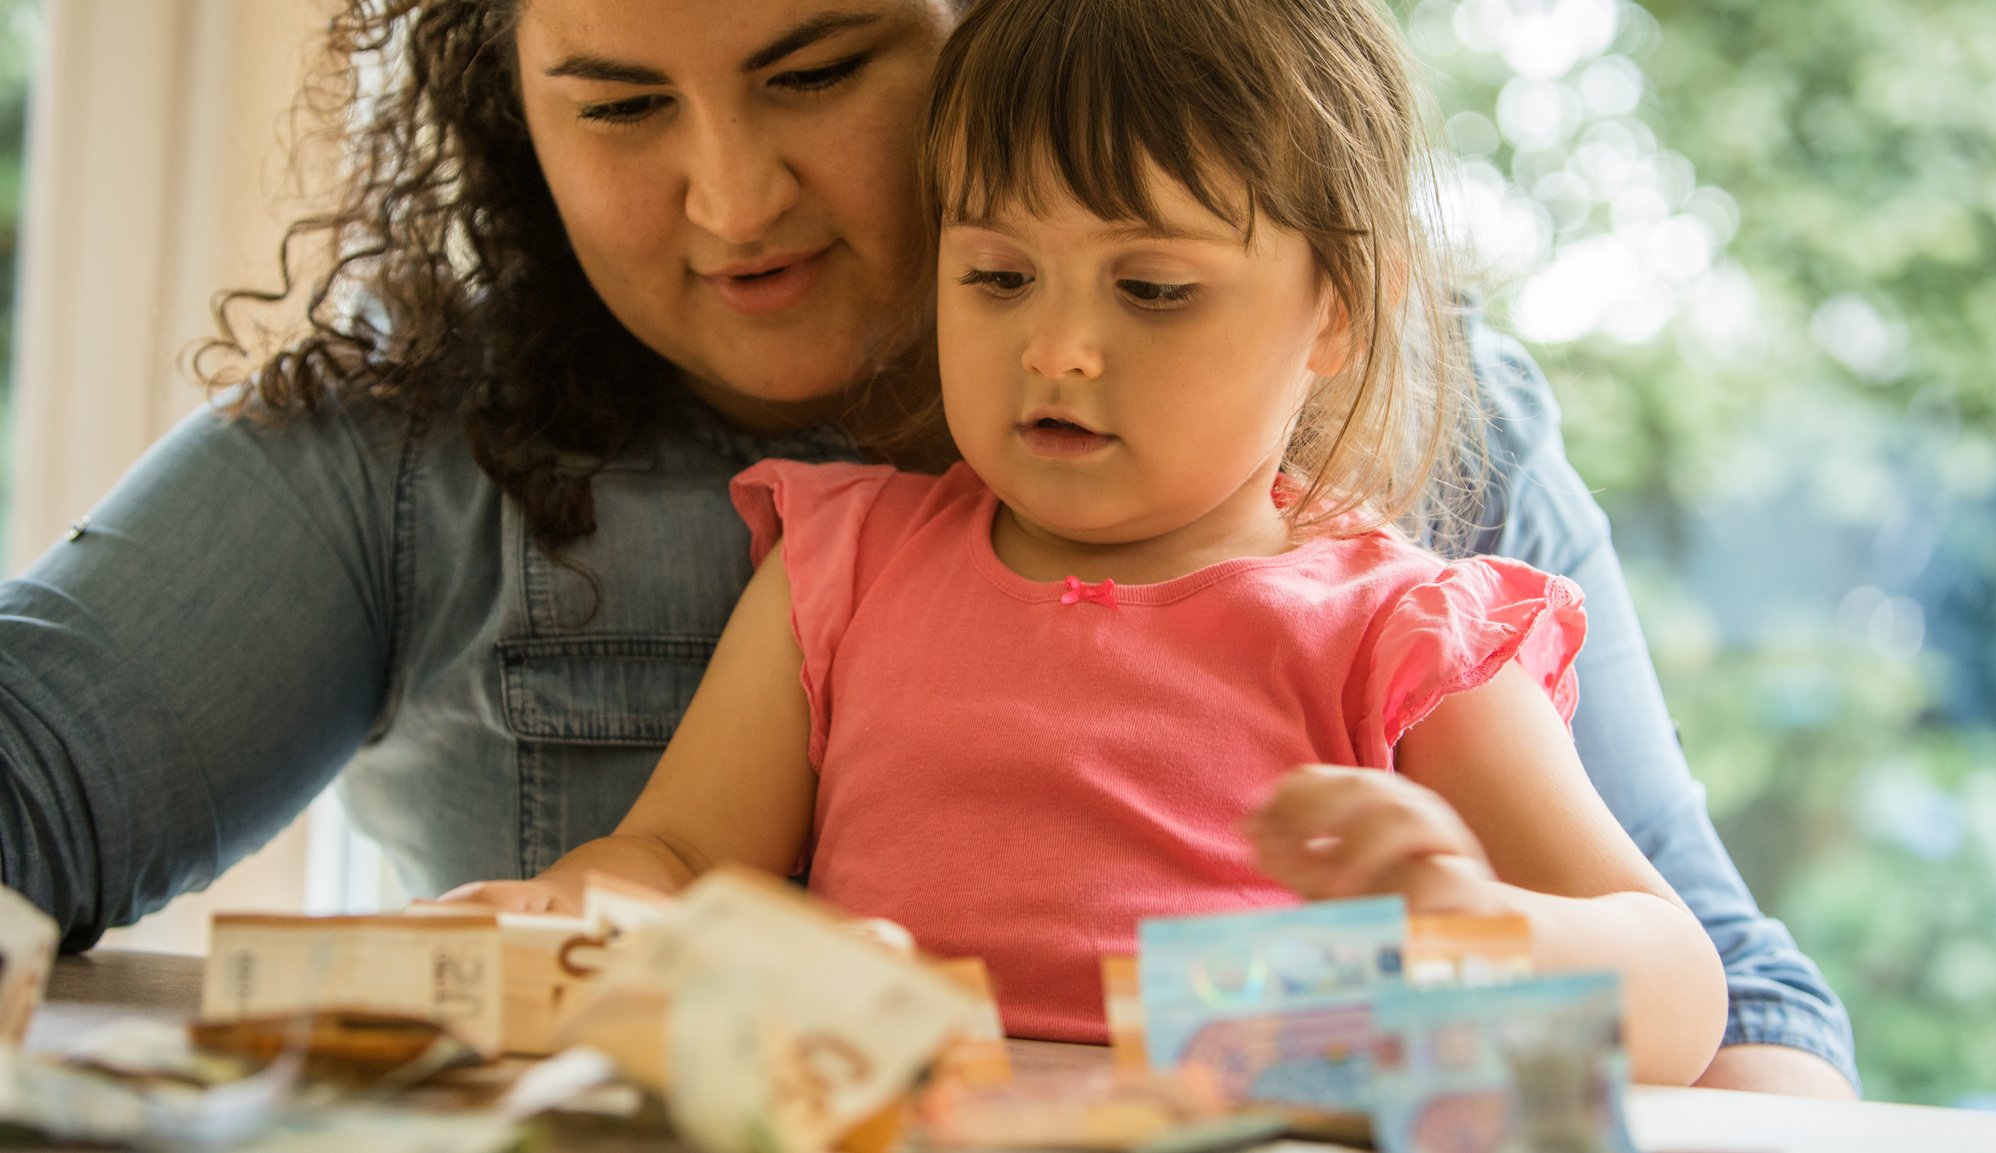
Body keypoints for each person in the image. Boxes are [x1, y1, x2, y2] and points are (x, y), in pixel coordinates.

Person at [0, 0, 1854, 1094]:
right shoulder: (814, 546)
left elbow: (1714, 996)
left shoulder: (1419, 531)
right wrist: (593, 921)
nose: (729, 203)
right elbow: (667, 863)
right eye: (620, 101)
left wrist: (1491, 968)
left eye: (813, 69)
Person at [446, 0, 1737, 1085]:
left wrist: (1482, 937)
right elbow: (675, 857)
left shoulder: (1400, 634)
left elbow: (1679, 986)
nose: (1056, 347)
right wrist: (587, 906)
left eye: (1153, 289)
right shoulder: (843, 569)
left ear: (1339, 308)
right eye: (998, 277)